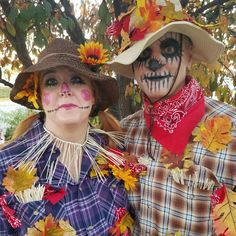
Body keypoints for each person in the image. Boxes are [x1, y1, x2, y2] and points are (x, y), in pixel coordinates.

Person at [107, 0, 236, 235]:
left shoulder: (232, 129)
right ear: (134, 67)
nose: (154, 62)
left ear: (188, 56)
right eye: (143, 54)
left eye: (167, 49)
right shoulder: (125, 132)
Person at [0, 38, 141, 236]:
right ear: (39, 96)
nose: (65, 90)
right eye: (51, 82)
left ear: (94, 95)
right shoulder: (6, 164)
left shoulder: (115, 155)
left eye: (77, 80)